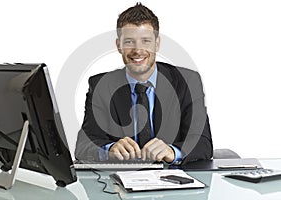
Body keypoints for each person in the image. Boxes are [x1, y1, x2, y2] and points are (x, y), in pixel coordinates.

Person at [75, 3, 213, 165]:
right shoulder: (101, 86)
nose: (138, 50)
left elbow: (203, 143)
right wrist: (109, 149)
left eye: (146, 41)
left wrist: (172, 151)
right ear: (118, 45)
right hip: (118, 183)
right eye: (129, 42)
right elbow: (83, 146)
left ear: (157, 43)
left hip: (173, 181)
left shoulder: (187, 81)